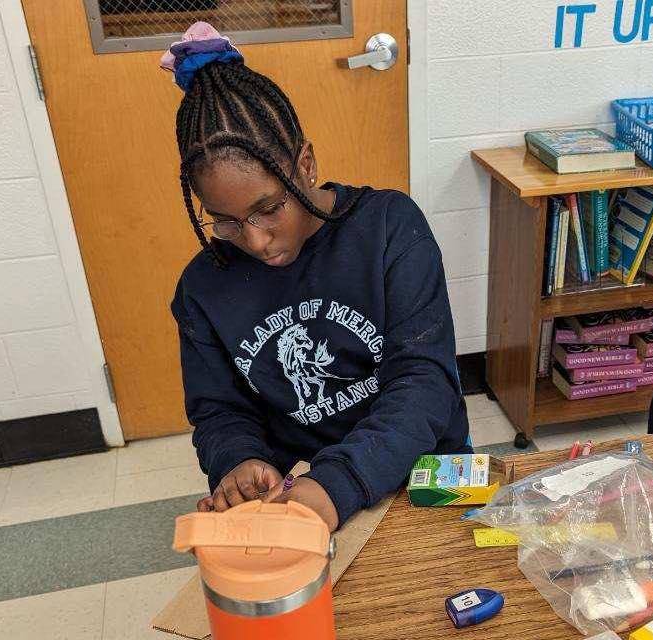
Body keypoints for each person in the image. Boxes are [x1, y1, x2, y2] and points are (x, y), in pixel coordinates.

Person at [162, 23, 470, 532]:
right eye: (227, 221)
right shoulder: (203, 289)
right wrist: (238, 463)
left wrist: (336, 484)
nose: (256, 240)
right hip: (301, 490)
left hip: (424, 469)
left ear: (305, 164)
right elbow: (218, 411)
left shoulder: (389, 228)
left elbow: (425, 384)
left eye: (270, 208)